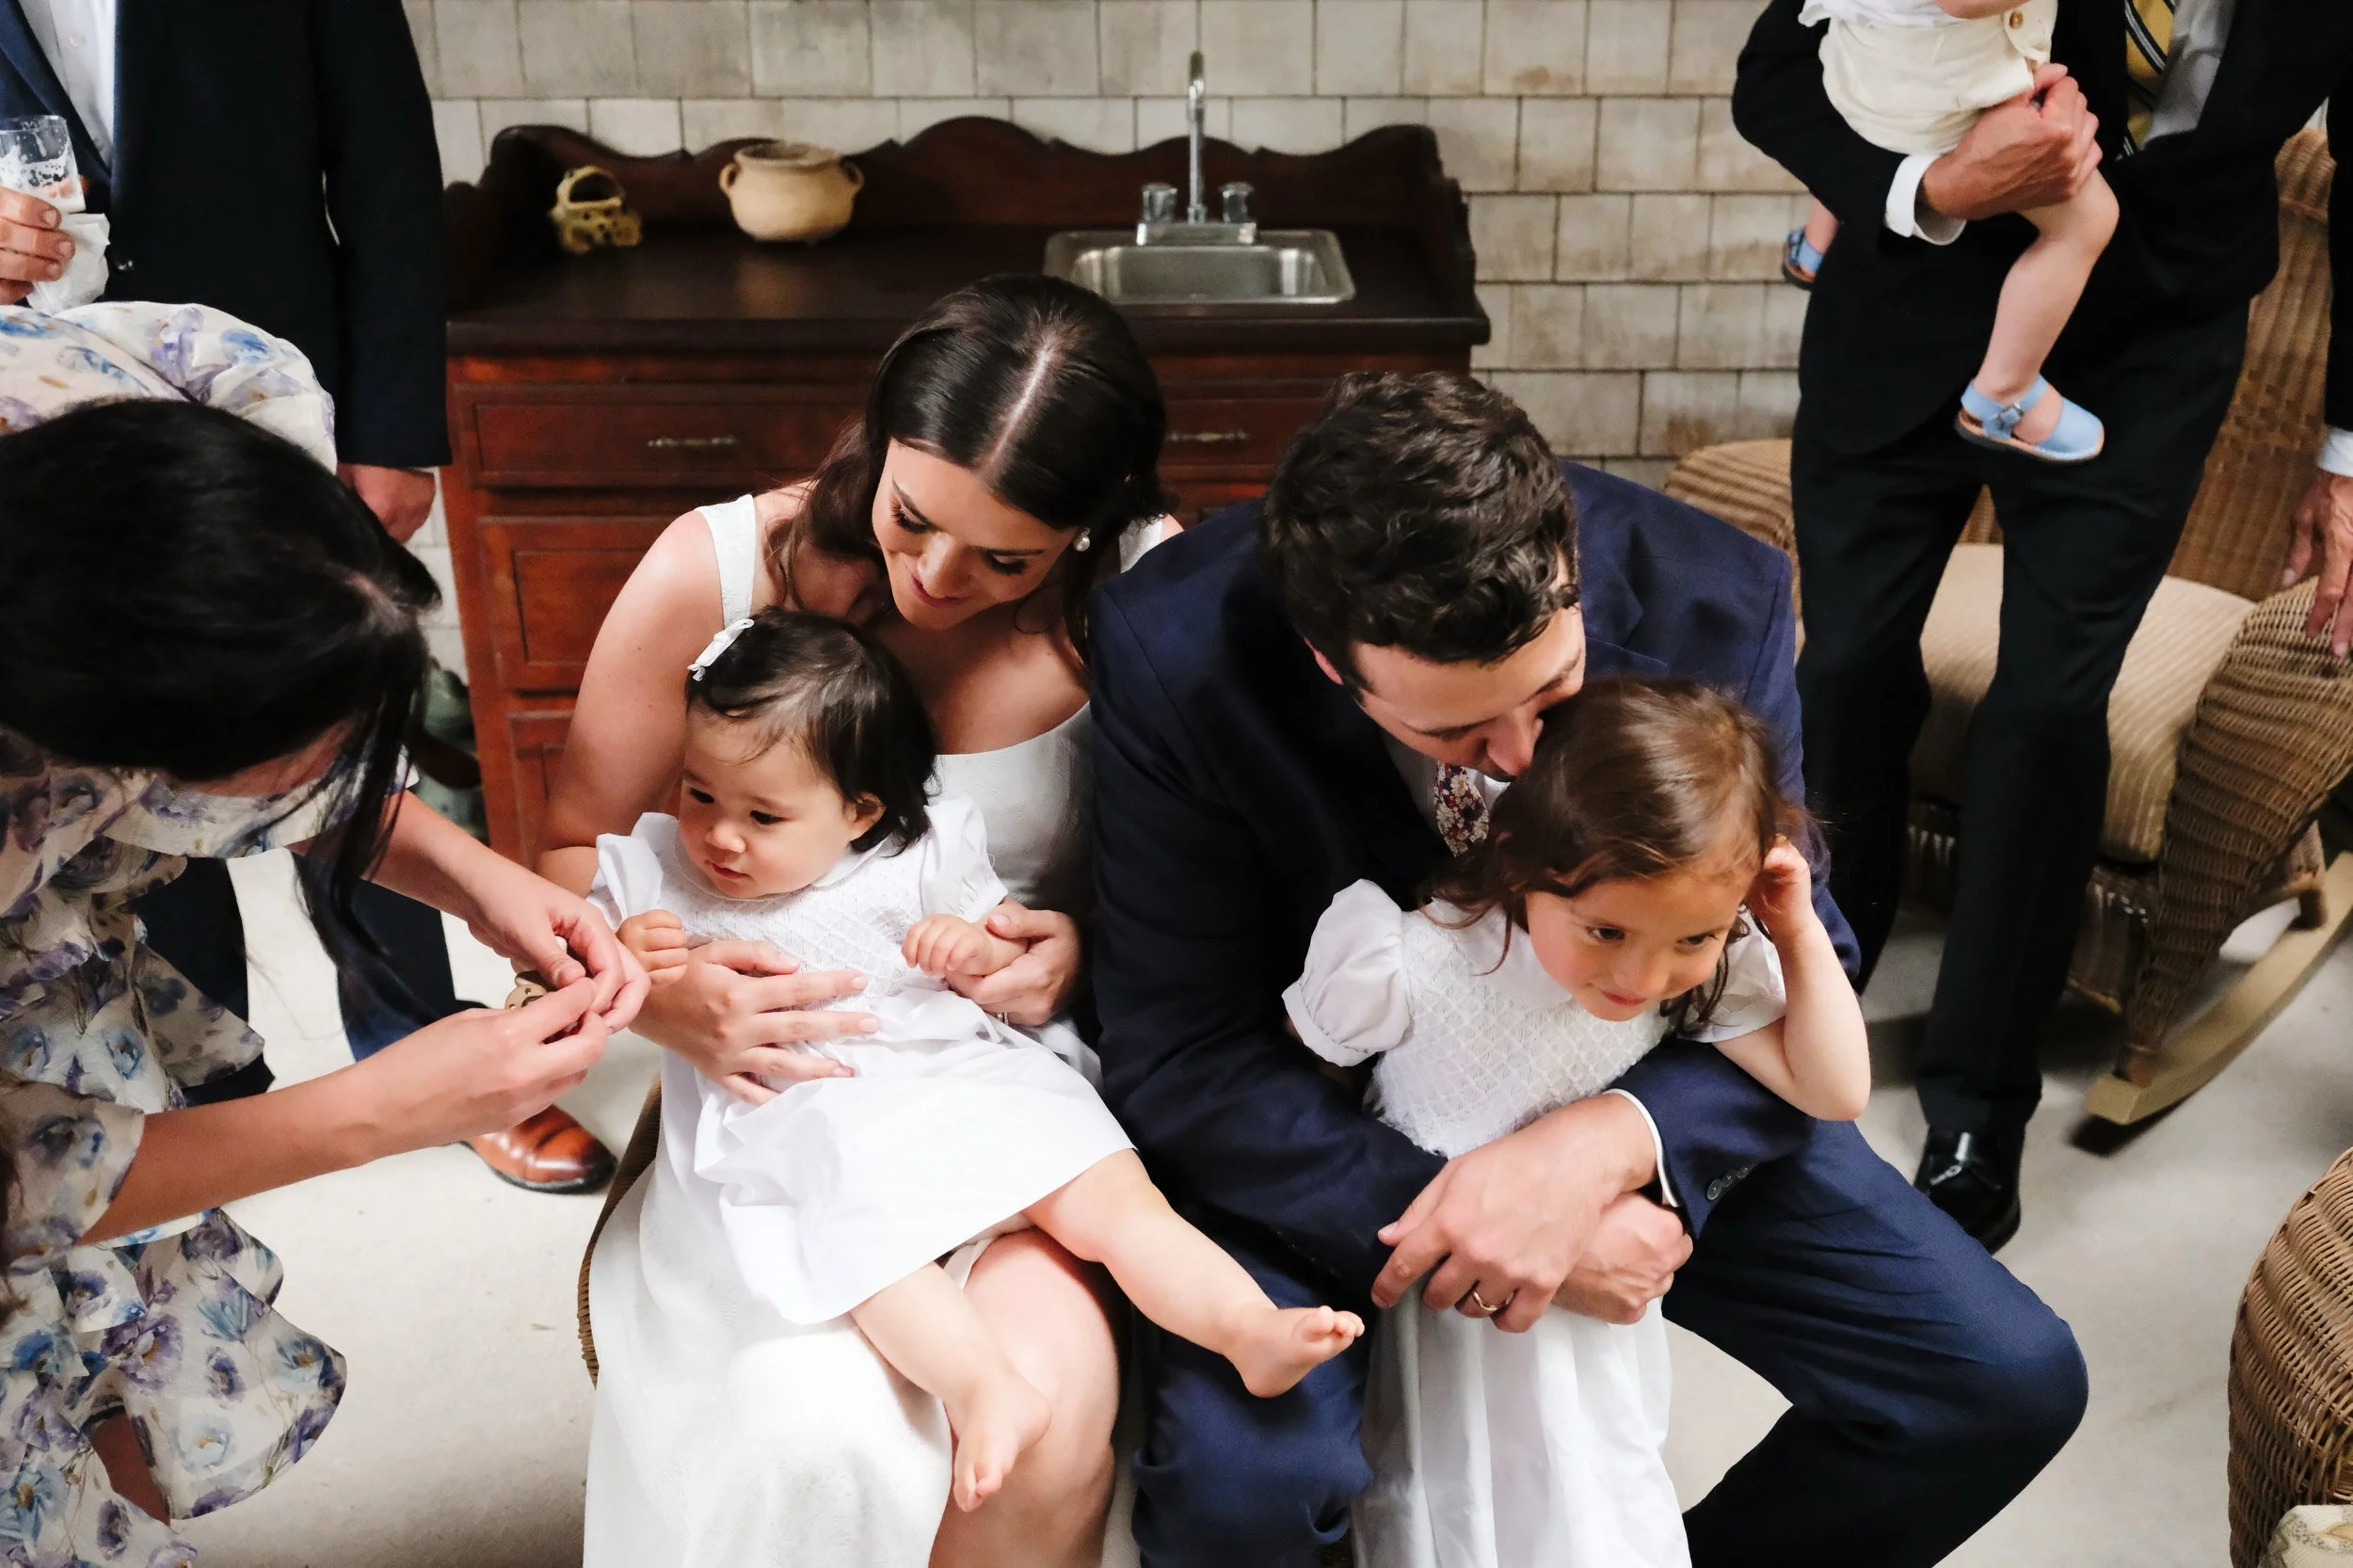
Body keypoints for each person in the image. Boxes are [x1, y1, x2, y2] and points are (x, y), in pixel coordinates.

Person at [1089, 370, 2086, 1568]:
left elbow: (1785, 932)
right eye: (1455, 734)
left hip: (1632, 1062)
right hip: (1315, 1143)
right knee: (1246, 1485)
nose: (1514, 759)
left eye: (1552, 700)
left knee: (1999, 1380)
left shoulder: (1718, 599)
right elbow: (1183, 1048)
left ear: (1568, 569)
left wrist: (1604, 1146)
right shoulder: (1168, 646)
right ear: (1326, 659)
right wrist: (1467, 1224)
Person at [0, 307, 644, 1565]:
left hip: (59, 994)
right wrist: (372, 1110)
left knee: (111, 1369)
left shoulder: (176, 400)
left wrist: (470, 872)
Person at [565, 275, 1169, 1568]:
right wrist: (661, 991)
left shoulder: (1142, 597)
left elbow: (1221, 878)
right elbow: (570, 851)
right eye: (911, 517)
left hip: (997, 1096)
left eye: (1007, 557)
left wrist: (1084, 944)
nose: (937, 579)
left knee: (1047, 1421)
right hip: (769, 1102)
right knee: (813, 1440)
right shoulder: (718, 566)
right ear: (880, 436)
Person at [1733, 0, 2353, 1245]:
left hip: (2155, 348)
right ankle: (1814, 994)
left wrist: (2348, 454)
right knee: (1847, 663)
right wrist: (1932, 185)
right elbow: (1776, 71)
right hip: (1907, 304)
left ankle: (1978, 1104)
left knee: (2050, 704)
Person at [0, 0, 601, 1191]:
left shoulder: (217, 380)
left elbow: (381, 158)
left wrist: (487, 881)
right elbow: (31, 1188)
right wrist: (364, 1115)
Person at [596, 609, 1361, 1513]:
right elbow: (591, 977)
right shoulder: (654, 871)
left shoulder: (919, 853)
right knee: (863, 1247)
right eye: (699, 795)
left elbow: (1008, 959)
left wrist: (971, 950)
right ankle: (983, 1388)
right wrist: (637, 958)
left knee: (1102, 1183)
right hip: (818, 1108)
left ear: (859, 811)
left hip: (958, 1075)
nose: (720, 836)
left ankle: (1244, 1327)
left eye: (764, 815)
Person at [1288, 678, 1868, 1568]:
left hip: (1582, 1335)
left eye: (1692, 939)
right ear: (1517, 855)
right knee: (1446, 1517)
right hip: (1442, 1314)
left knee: (1590, 1515)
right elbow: (1300, 1095)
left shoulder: (1694, 959)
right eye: (1604, 933)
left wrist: (1791, 930)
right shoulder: (1405, 960)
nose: (1643, 976)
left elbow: (1833, 1090)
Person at [1787, 0, 2116, 461]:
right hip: (1944, 106)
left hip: (1864, 75)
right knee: (2089, 221)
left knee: (1856, 104)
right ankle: (2005, 391)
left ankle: (1815, 242)